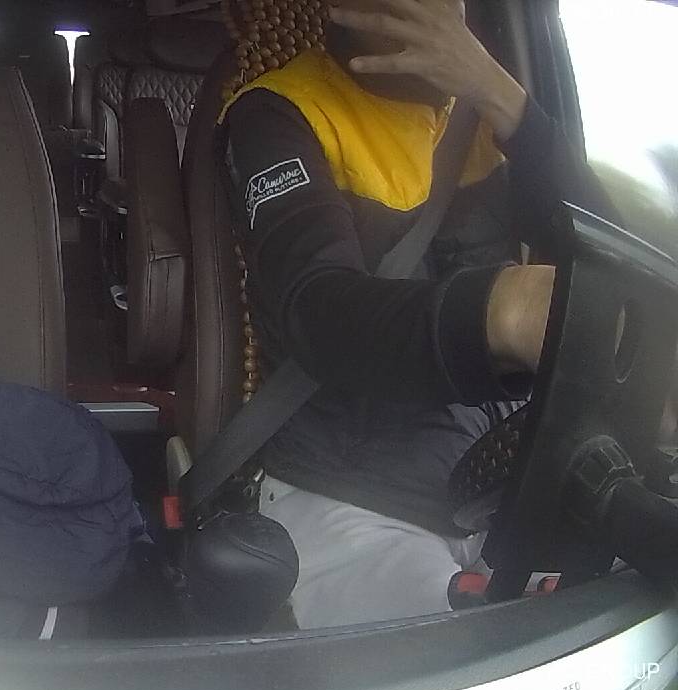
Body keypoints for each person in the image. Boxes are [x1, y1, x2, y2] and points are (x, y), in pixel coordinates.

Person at [218, 0, 669, 628]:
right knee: (479, 646)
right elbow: (317, 312)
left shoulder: (483, 118)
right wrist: (505, 311)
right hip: (346, 487)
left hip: (505, 473)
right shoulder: (278, 111)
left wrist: (502, 96)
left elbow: (608, 264)